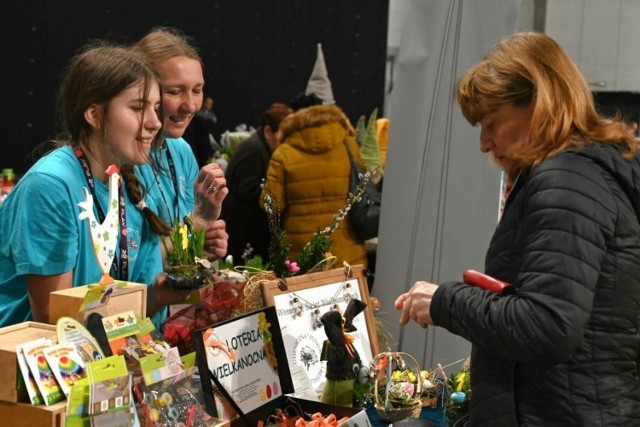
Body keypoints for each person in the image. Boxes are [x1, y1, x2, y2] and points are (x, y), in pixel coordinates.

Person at [394, 32, 640, 426]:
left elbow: (548, 326)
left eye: (491, 123)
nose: (484, 143)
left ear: (540, 104)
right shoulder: (581, 175)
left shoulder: (567, 181)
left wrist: (445, 301)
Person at [0, 43, 191, 327]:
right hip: (32, 365)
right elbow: (55, 322)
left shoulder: (130, 182)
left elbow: (127, 316)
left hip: (97, 357)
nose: (154, 122)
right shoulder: (51, 187)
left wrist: (159, 297)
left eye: (155, 108)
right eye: (138, 108)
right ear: (94, 115)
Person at [133, 27, 228, 261]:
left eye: (197, 90)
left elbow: (176, 245)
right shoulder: (121, 157)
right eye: (175, 92)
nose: (191, 106)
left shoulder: (181, 151)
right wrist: (198, 222)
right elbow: (131, 267)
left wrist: (199, 246)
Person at [261, 104, 367, 268]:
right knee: (347, 293)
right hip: (347, 249)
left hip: (301, 252)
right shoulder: (349, 146)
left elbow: (271, 205)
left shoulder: (283, 153)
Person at [220, 102, 292, 264]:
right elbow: (248, 191)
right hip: (245, 237)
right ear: (268, 131)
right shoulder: (253, 150)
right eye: (283, 135)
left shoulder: (260, 147)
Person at [183, 96, 218, 168]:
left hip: (208, 141)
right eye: (208, 103)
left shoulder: (211, 114)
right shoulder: (199, 114)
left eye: (211, 104)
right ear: (204, 103)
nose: (209, 105)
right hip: (199, 140)